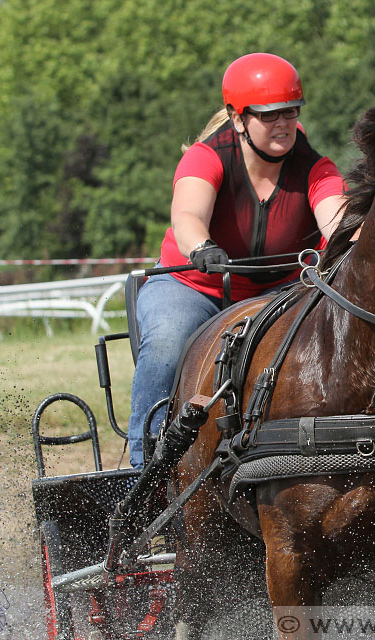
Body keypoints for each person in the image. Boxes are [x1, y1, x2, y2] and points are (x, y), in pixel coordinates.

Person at [126, 53, 347, 468]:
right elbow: (188, 215)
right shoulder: (206, 156)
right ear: (238, 117)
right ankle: (146, 469)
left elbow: (337, 218)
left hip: (280, 294)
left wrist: (350, 243)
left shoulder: (316, 168)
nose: (283, 124)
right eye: (269, 115)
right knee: (168, 343)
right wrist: (201, 248)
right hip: (195, 287)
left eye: (290, 112)